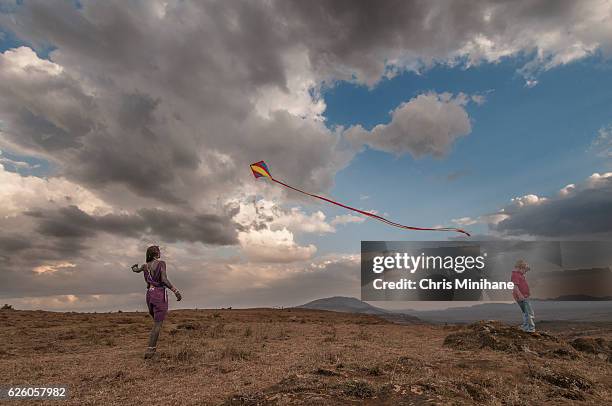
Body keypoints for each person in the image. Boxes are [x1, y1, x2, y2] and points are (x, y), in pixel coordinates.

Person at [132, 245, 182, 359]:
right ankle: (150, 352)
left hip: (149, 295)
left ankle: (151, 350)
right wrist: (175, 290)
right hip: (158, 294)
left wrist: (134, 268)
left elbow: (136, 270)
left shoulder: (145, 266)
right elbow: (163, 279)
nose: (160, 253)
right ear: (156, 253)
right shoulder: (161, 263)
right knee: (157, 324)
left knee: (156, 322)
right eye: (159, 251)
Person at [511, 259, 535, 333]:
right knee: (529, 313)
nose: (525, 271)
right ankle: (531, 328)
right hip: (522, 297)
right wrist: (520, 295)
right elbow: (515, 287)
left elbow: (528, 269)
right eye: (524, 270)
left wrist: (525, 267)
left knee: (525, 312)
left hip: (523, 296)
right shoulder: (515, 275)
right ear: (520, 268)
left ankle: (525, 326)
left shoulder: (519, 274)